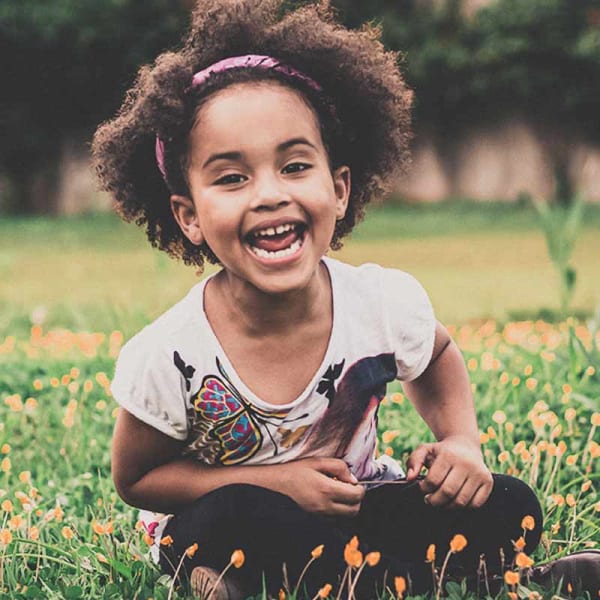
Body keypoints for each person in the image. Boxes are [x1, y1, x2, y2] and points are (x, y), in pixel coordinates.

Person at [92, 1, 599, 598]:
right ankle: (429, 581)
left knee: (507, 502)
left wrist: (460, 441)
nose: (269, 195)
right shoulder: (171, 351)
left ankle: (389, 578)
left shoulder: (379, 301)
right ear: (189, 217)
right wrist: (276, 482)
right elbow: (139, 479)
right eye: (232, 178)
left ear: (338, 189)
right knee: (218, 531)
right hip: (241, 521)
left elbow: (436, 357)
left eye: (295, 165)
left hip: (360, 508)